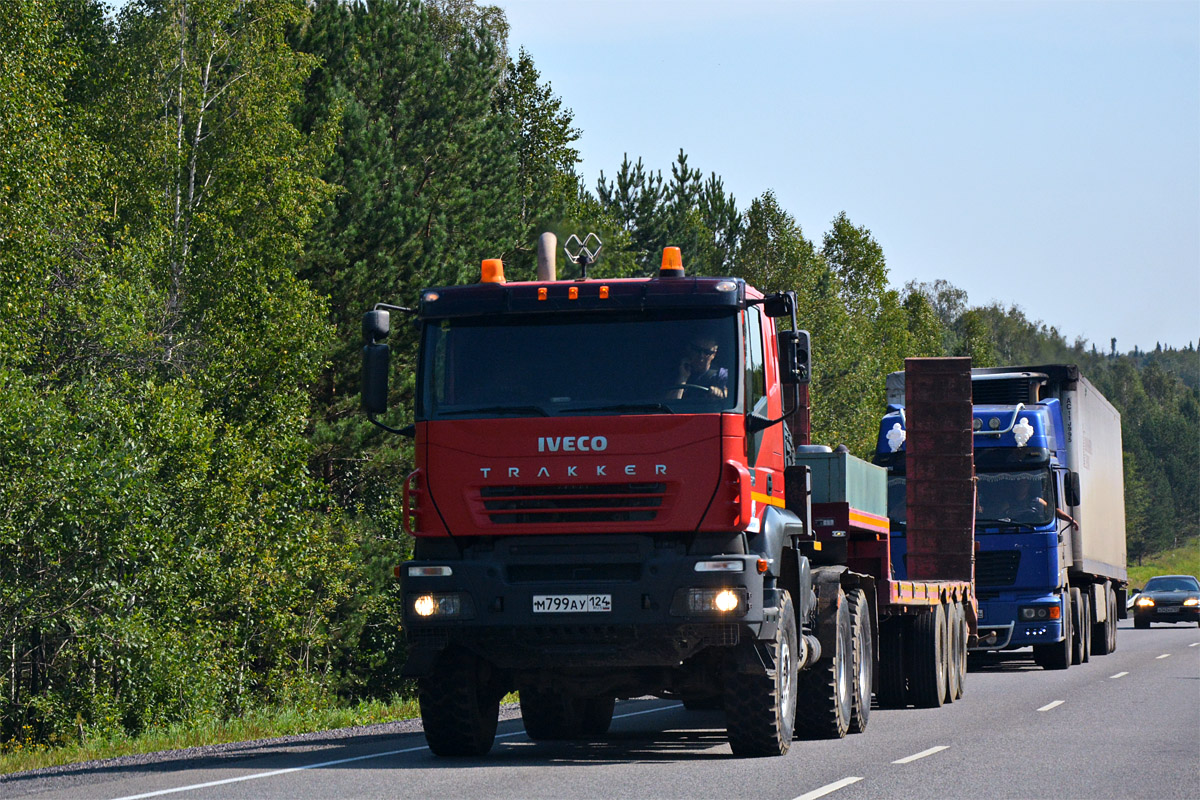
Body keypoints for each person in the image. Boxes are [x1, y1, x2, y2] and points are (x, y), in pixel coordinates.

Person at [668, 336, 728, 401]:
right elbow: (669, 405)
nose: (701, 356)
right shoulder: (674, 372)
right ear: (689, 349)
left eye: (707, 352)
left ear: (714, 354)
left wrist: (720, 394)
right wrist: (682, 378)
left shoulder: (720, 375)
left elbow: (730, 394)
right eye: (697, 350)